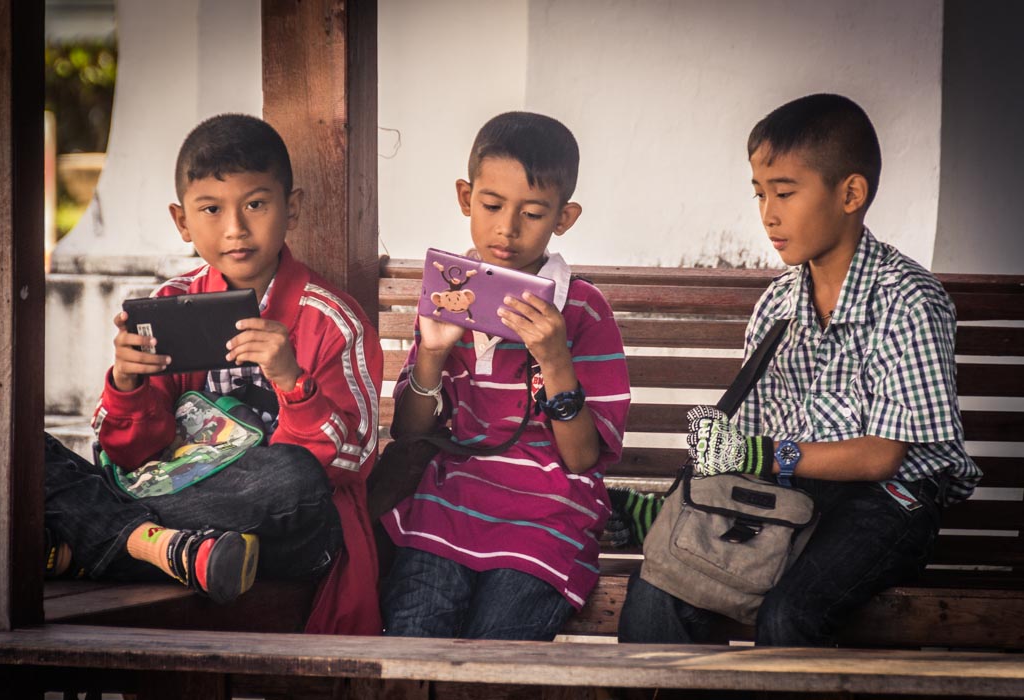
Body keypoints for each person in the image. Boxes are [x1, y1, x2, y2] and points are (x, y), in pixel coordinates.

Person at [616, 93, 982, 647]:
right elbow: (757, 446)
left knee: (789, 615)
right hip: (795, 496)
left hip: (890, 503)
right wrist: (717, 462)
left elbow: (882, 455)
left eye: (785, 192)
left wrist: (760, 455)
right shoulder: (777, 307)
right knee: (659, 585)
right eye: (760, 193)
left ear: (850, 194)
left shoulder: (908, 300)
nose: (768, 213)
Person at [44, 114, 384, 635]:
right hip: (197, 523)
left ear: (291, 208)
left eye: (256, 204)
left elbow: (352, 463)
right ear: (182, 221)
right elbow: (127, 456)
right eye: (211, 209)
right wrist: (128, 387)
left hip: (288, 532)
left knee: (290, 476)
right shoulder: (166, 306)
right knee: (25, 448)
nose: (235, 228)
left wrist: (293, 382)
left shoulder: (331, 318)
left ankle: (99, 536)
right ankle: (166, 548)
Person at [379, 112, 631, 640]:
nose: (507, 228)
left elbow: (584, 457)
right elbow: (409, 429)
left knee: (496, 650)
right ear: (465, 197)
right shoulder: (449, 290)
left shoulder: (583, 310)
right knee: (411, 637)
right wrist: (431, 352)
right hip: (447, 509)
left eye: (533, 213)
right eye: (492, 205)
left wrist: (555, 359)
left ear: (564, 217)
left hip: (546, 520)